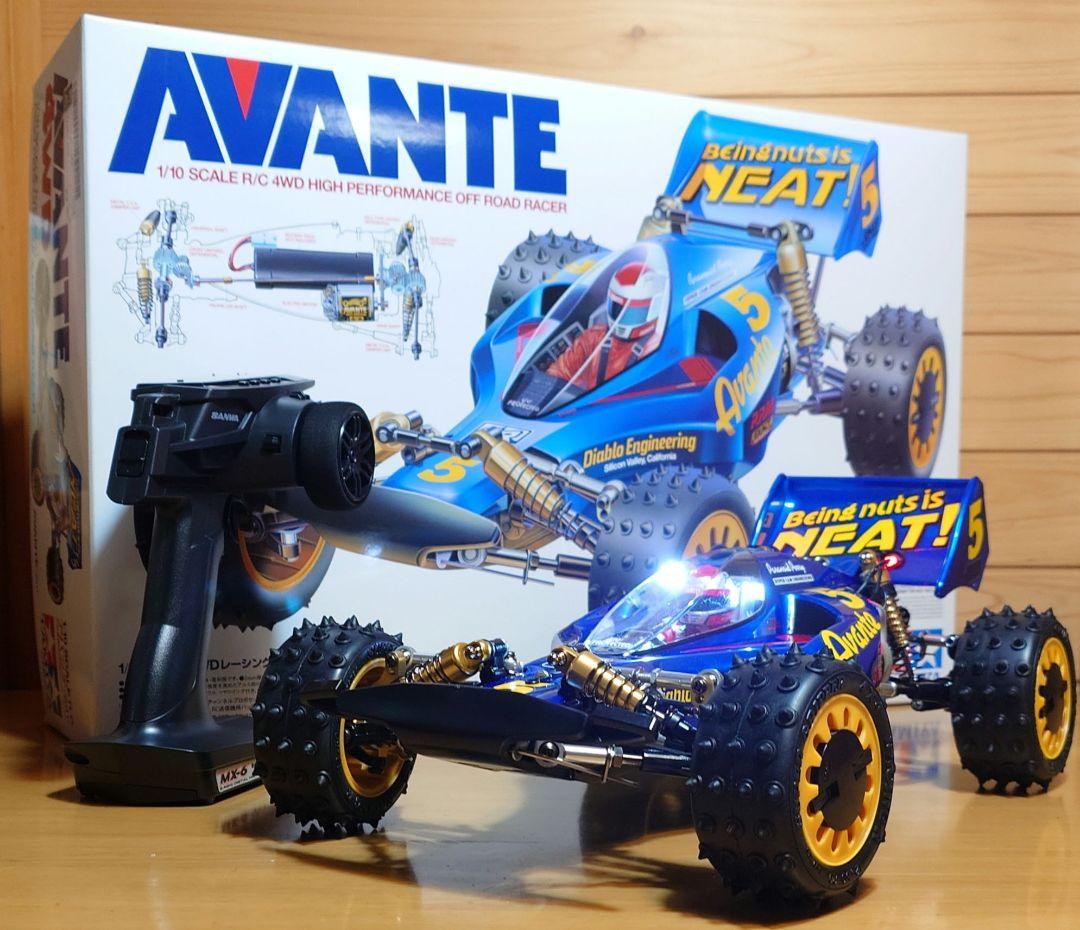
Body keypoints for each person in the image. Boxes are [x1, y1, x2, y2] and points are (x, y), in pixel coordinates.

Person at [546, 259, 666, 388]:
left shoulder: (657, 350)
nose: (620, 318)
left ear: (654, 309)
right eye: (616, 308)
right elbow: (555, 374)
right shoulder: (593, 338)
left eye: (630, 313)